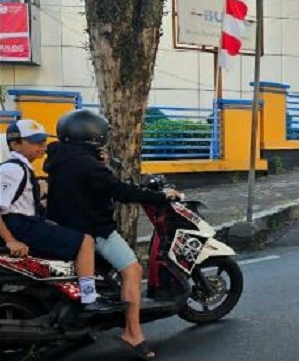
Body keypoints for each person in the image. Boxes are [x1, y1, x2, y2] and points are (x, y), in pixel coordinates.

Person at [45, 110, 181, 360]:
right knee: (132, 271)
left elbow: (91, 185)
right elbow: (120, 191)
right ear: (91, 136)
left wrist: (101, 162)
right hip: (93, 228)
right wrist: (161, 196)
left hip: (64, 226)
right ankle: (133, 332)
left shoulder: (60, 158)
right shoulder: (88, 165)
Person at [0, 120, 119, 313]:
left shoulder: (22, 167)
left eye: (42, 141)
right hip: (20, 226)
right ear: (15, 144)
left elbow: (22, 204)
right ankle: (89, 299)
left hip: (26, 222)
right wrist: (11, 241)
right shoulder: (11, 170)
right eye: (35, 142)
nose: (42, 146)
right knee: (85, 242)